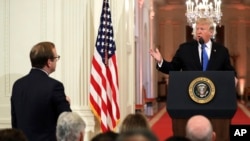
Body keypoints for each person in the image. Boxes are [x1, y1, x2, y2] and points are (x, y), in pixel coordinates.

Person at [11, 41, 72, 141]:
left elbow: (15, 122)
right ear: (49, 62)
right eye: (56, 58)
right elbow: (68, 120)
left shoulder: (17, 85)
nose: (57, 61)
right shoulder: (55, 86)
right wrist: (67, 103)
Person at [150, 18, 236, 75]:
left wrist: (234, 78)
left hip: (215, 96)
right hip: (190, 95)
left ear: (211, 32)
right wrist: (161, 61)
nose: (198, 32)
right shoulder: (185, 49)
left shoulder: (222, 51)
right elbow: (173, 68)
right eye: (197, 29)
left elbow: (229, 72)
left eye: (202, 29)